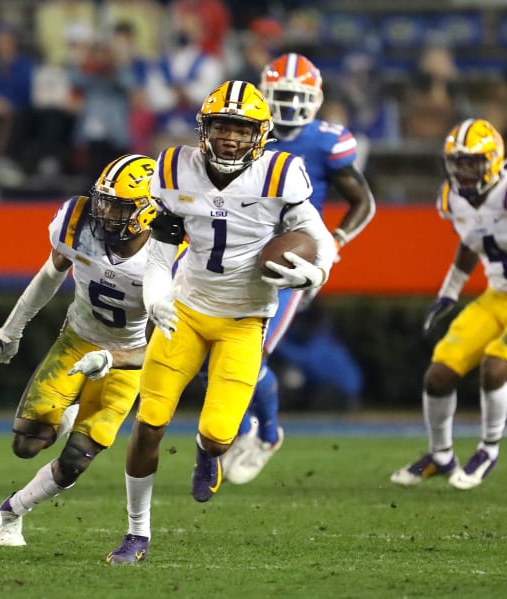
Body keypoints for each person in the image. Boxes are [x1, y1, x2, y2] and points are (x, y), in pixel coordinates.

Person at [106, 80, 336, 564]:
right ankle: (136, 533)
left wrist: (315, 272)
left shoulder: (282, 174)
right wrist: (155, 297)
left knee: (219, 434)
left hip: (244, 319)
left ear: (261, 134)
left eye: (240, 129)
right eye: (222, 127)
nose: (230, 138)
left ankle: (207, 452)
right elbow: (159, 254)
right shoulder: (173, 169)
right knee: (148, 423)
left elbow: (319, 236)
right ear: (204, 128)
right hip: (186, 311)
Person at [218, 53, 375, 485]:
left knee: (253, 352)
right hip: (239, 255)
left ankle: (265, 434)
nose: (286, 107)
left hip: (291, 260)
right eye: (280, 97)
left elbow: (364, 202)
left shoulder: (327, 142)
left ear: (315, 99)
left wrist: (334, 243)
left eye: (295, 97)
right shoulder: (247, 135)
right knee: (215, 350)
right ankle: (246, 425)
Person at [390, 118, 507, 491]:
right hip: (494, 298)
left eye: (472, 163)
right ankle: (440, 456)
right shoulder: (453, 198)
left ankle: (488, 450)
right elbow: (471, 241)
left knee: (494, 366)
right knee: (438, 374)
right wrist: (449, 292)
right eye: (458, 163)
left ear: (494, 159)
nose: (464, 172)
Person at [0, 154, 160, 546]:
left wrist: (113, 360)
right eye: (103, 200)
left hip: (129, 358)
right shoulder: (77, 220)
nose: (105, 213)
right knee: (26, 445)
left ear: (148, 211)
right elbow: (51, 273)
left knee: (75, 460)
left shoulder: (169, 253)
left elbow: (160, 346)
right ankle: (67, 408)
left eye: (119, 206)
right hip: (78, 339)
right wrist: (13, 328)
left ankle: (12, 510)